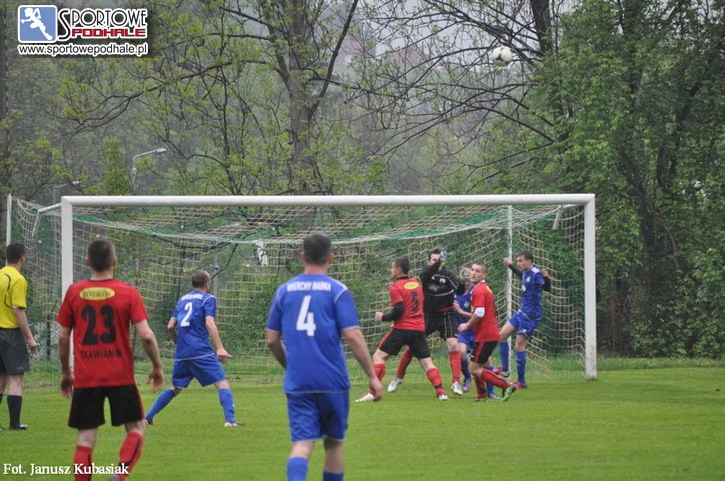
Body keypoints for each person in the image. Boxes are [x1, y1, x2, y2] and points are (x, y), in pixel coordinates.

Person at [266, 234, 383, 481]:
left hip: (299, 382)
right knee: (333, 443)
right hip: (332, 381)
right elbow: (353, 336)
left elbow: (272, 340)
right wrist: (372, 376)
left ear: (303, 257)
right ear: (330, 257)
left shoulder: (284, 291)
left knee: (302, 443)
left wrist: (289, 365)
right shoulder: (337, 290)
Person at [57, 239, 164, 481]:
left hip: (86, 377)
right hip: (120, 376)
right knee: (136, 428)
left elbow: (63, 337)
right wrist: (157, 366)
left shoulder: (74, 292)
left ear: (87, 261)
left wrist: (66, 372)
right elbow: (147, 335)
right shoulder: (128, 292)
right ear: (114, 261)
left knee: (85, 438)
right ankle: (119, 476)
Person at [145, 270, 241, 427]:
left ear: (192, 283)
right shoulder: (208, 299)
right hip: (200, 350)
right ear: (207, 283)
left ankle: (148, 417)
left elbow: (170, 326)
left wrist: (179, 344)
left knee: (176, 388)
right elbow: (209, 322)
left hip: (182, 353)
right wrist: (220, 348)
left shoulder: (182, 300)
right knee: (222, 384)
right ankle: (230, 420)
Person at [356, 256, 449, 403]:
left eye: (392, 267)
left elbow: (399, 309)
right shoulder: (416, 284)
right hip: (418, 329)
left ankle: (372, 393)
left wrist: (384, 317)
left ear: (398, 270)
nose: (391, 270)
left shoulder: (395, 287)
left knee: (378, 357)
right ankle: (441, 392)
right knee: (427, 363)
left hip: (402, 329)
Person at [388, 248, 466, 396]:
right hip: (428, 315)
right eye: (434, 260)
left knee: (453, 344)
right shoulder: (425, 274)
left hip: (446, 314)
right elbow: (425, 275)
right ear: (428, 261)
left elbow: (460, 291)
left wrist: (463, 281)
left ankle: (456, 382)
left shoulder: (448, 275)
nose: (437, 263)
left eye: (439, 260)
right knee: (412, 347)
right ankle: (398, 377)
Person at [458, 262, 515, 402]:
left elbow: (479, 313)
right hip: (488, 334)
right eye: (472, 270)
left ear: (484, 275)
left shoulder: (478, 290)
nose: (473, 273)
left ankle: (506, 385)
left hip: (485, 335)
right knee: (477, 365)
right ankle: (482, 394)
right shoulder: (483, 288)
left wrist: (467, 325)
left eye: (477, 271)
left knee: (474, 369)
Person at [498, 251, 551, 389]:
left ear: (529, 261)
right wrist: (510, 265)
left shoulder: (536, 274)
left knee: (519, 346)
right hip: (521, 312)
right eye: (517, 261)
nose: (519, 263)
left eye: (521, 261)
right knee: (501, 336)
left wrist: (546, 277)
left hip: (531, 316)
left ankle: (521, 381)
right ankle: (505, 369)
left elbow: (547, 288)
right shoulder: (526, 272)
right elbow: (521, 276)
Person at [0, 243, 37, 431]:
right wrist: (30, 337)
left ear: (6, 257)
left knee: (0, 379)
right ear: (22, 258)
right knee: (15, 379)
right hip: (10, 333)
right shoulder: (18, 279)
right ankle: (14, 424)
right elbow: (17, 311)